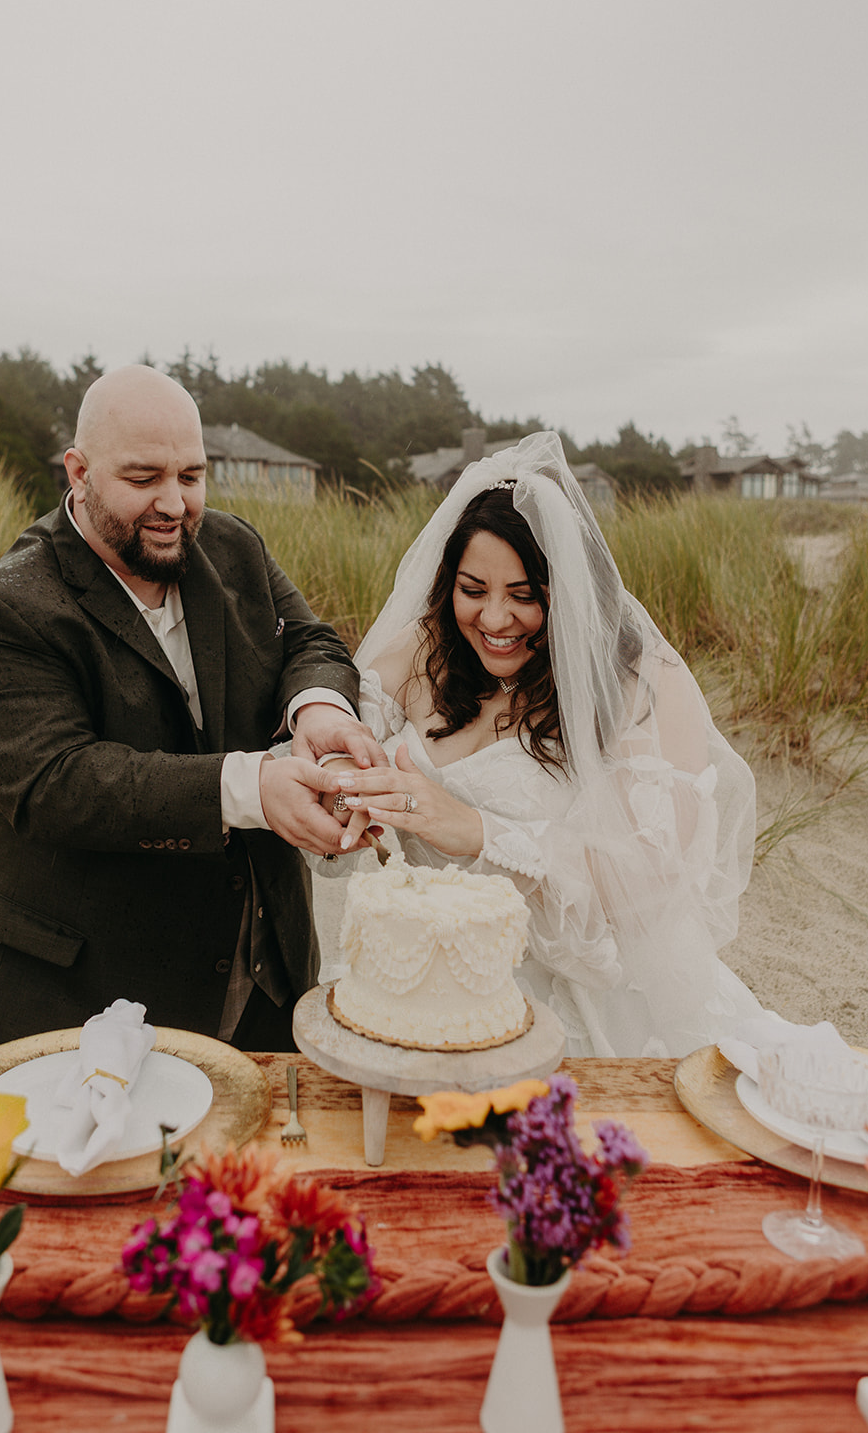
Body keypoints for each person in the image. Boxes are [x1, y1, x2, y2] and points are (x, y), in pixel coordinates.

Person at [0, 364, 383, 1051]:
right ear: (77, 472)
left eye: (191, 476)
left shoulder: (235, 547)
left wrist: (316, 710)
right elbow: (58, 784)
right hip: (82, 1003)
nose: (174, 503)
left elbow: (309, 641)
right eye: (143, 478)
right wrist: (252, 786)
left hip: (266, 985)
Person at [322, 432, 767, 1058]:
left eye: (525, 596)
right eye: (473, 590)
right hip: (431, 986)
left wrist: (477, 830)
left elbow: (649, 871)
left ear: (571, 591)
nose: (495, 619)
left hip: (592, 999)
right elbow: (341, 710)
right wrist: (344, 769)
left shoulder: (641, 683)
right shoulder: (430, 647)